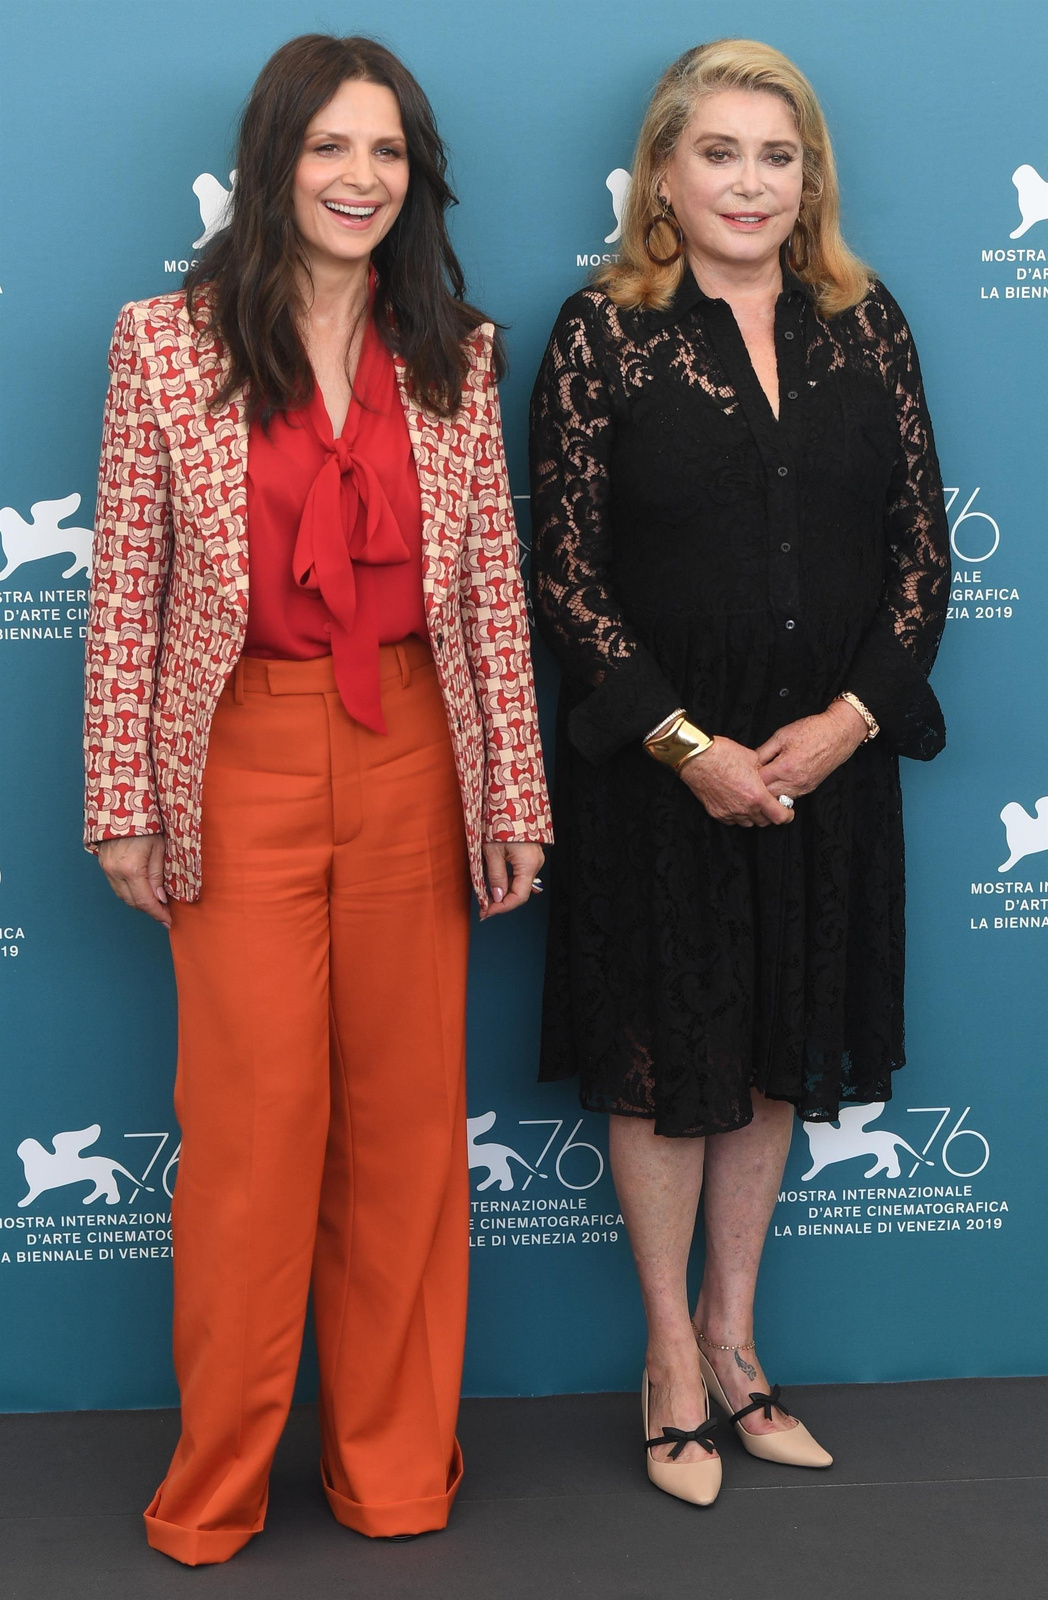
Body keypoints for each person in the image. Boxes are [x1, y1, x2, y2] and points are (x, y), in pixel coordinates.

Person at [84, 33, 550, 1565]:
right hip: (240, 751)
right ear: (272, 161)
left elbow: (489, 593)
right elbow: (127, 589)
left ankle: (395, 1473)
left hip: (415, 746)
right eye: (330, 147)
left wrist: (514, 790)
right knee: (250, 1134)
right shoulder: (162, 342)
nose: (361, 177)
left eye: (389, 151)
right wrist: (122, 794)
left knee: (406, 1134)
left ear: (419, 178)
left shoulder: (459, 352)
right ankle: (215, 1485)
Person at [529, 38, 948, 1506]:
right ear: (664, 175)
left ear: (810, 178)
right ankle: (669, 1360)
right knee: (665, 1060)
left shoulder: (866, 322)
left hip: (822, 768)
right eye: (719, 153)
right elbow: (563, 576)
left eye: (779, 157)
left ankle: (735, 1339)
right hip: (662, 777)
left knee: (776, 1042)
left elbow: (922, 552)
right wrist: (683, 746)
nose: (751, 184)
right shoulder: (603, 333)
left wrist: (849, 722)